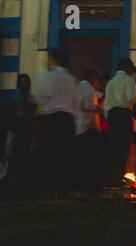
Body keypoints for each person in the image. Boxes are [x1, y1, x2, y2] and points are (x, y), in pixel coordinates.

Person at [36, 48, 82, 192]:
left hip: (50, 118)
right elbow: (77, 101)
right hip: (67, 120)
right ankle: (63, 185)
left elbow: (41, 98)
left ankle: (48, 184)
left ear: (53, 59)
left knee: (48, 152)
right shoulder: (72, 79)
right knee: (65, 153)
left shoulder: (49, 76)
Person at [104, 57, 136, 186]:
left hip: (112, 115)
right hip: (123, 114)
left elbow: (106, 104)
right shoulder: (128, 80)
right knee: (123, 147)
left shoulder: (111, 82)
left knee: (113, 146)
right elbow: (132, 98)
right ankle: (118, 178)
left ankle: (111, 178)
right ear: (126, 66)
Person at [74, 69, 106, 189]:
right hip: (86, 126)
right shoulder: (88, 88)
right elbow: (87, 105)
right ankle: (87, 183)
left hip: (79, 125)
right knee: (87, 156)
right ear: (93, 78)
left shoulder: (79, 87)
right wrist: (98, 109)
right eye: (96, 78)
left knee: (81, 155)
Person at [9, 74, 37, 181]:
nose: (25, 83)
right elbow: (20, 106)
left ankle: (22, 173)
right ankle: (15, 174)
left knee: (24, 147)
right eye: (23, 80)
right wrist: (29, 116)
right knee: (19, 147)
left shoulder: (29, 95)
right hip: (21, 122)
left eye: (26, 80)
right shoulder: (18, 93)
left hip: (26, 122)